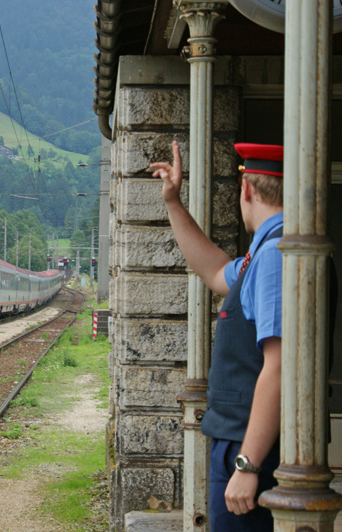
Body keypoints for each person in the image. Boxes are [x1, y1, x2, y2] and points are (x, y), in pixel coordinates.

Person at [151, 141, 284, 531]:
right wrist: (174, 203)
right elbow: (215, 271)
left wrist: (248, 464)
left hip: (253, 446)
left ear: (247, 190)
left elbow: (279, 366)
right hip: (247, 442)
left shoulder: (276, 256)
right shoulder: (266, 253)